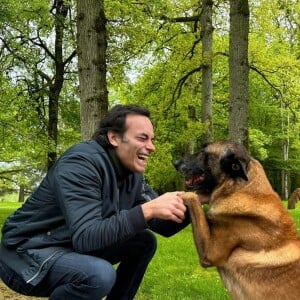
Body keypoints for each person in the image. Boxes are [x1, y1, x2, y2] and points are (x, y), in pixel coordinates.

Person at [0, 104, 189, 300]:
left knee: (144, 241)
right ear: (114, 137)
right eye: (142, 138)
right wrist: (146, 210)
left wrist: (200, 197)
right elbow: (86, 236)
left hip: (67, 246)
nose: (152, 147)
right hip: (25, 255)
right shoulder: (80, 164)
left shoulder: (131, 175)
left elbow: (165, 226)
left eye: (152, 140)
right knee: (99, 276)